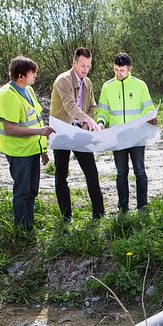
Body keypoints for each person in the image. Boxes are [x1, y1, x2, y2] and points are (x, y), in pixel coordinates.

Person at [0, 56, 55, 231]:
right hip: (19, 153)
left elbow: (35, 120)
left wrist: (42, 149)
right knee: (23, 192)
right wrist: (40, 133)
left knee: (32, 191)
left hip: (32, 150)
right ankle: (22, 231)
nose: (35, 75)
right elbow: (10, 129)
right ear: (21, 76)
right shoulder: (8, 95)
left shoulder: (27, 91)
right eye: (32, 72)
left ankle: (29, 226)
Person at [96, 52, 156, 213]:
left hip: (137, 137)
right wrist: (101, 122)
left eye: (121, 70)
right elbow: (102, 111)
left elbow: (149, 108)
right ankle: (123, 207)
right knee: (121, 172)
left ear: (130, 69)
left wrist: (152, 117)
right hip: (118, 138)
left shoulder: (140, 85)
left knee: (140, 171)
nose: (118, 73)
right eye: (116, 70)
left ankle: (142, 205)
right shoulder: (107, 86)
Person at [50, 47, 105, 222]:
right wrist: (87, 118)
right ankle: (66, 216)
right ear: (73, 63)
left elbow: (92, 106)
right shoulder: (62, 80)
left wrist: (87, 121)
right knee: (61, 175)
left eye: (88, 66)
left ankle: (99, 214)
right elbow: (70, 106)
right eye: (82, 65)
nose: (85, 69)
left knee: (91, 172)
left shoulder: (88, 82)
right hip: (62, 131)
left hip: (80, 132)